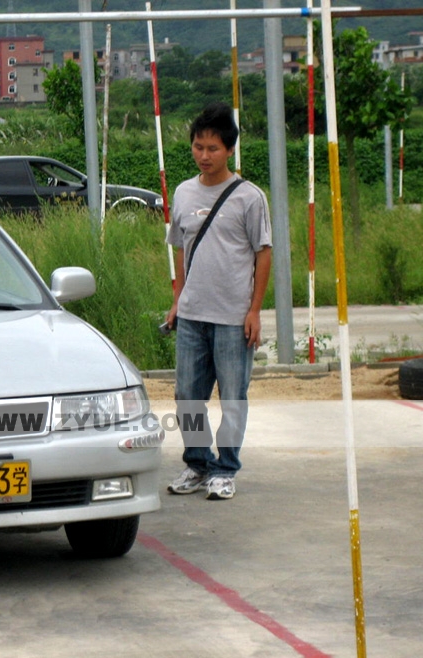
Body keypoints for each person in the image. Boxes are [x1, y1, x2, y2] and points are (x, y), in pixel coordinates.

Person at [164, 102, 272, 500]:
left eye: (212, 148)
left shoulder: (249, 197)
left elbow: (264, 253)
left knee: (232, 397)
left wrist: (255, 310)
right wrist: (177, 301)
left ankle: (225, 469)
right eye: (197, 147)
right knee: (188, 396)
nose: (204, 156)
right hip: (192, 315)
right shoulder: (183, 192)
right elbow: (179, 247)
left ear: (229, 150)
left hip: (232, 318)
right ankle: (196, 463)